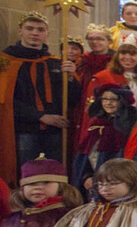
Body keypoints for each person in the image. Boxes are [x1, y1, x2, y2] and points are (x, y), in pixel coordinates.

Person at [1, 12, 79, 183]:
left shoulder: (56, 63)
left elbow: (73, 100)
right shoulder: (5, 62)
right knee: (27, 176)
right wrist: (41, 116)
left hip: (55, 131)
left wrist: (71, 79)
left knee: (55, 176)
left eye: (40, 30)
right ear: (20, 31)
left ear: (47, 34)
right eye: (30, 28)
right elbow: (6, 101)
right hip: (23, 130)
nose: (35, 33)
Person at [72, 84, 137, 197]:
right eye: (105, 99)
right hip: (95, 180)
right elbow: (85, 154)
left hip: (119, 179)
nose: (108, 103)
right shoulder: (97, 124)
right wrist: (86, 176)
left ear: (122, 101)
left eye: (113, 99)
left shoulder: (130, 124)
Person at [82, 42, 137, 128]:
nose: (127, 57)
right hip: (111, 129)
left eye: (132, 54)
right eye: (123, 53)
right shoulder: (102, 78)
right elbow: (92, 109)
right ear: (117, 56)